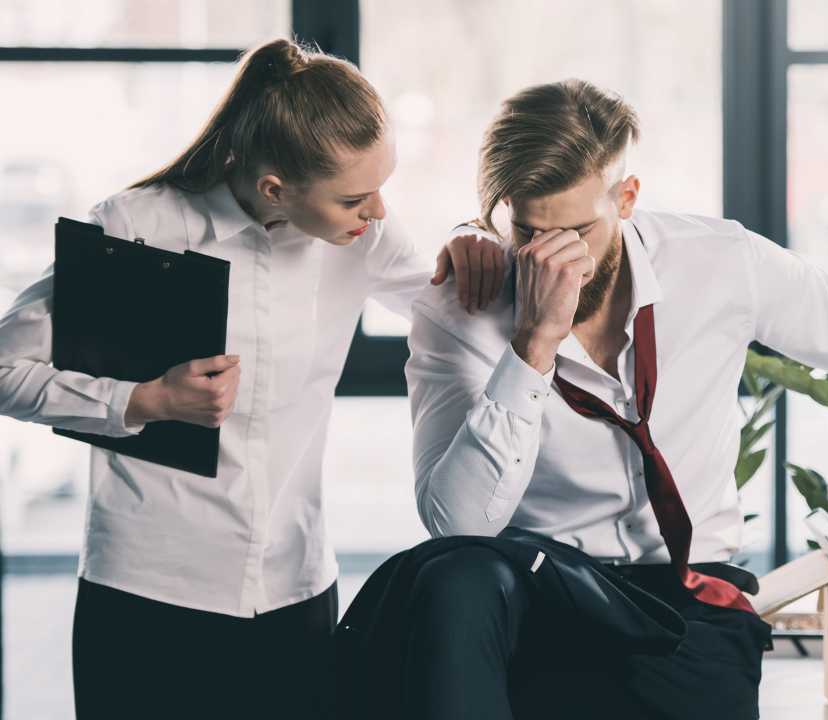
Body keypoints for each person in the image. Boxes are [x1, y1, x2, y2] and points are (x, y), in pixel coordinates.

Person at [345, 78, 828, 719]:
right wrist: (532, 346)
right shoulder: (460, 309)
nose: (551, 259)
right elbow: (457, 525)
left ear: (627, 198)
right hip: (542, 586)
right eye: (527, 232)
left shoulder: (719, 262)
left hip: (689, 594)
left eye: (576, 231)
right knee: (452, 578)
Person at [0, 38, 504, 720]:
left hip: (295, 592)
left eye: (382, 188)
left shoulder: (363, 235)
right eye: (357, 196)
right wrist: (143, 400)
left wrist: (475, 235)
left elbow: (465, 305)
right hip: (146, 598)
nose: (379, 212)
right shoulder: (135, 224)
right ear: (275, 187)